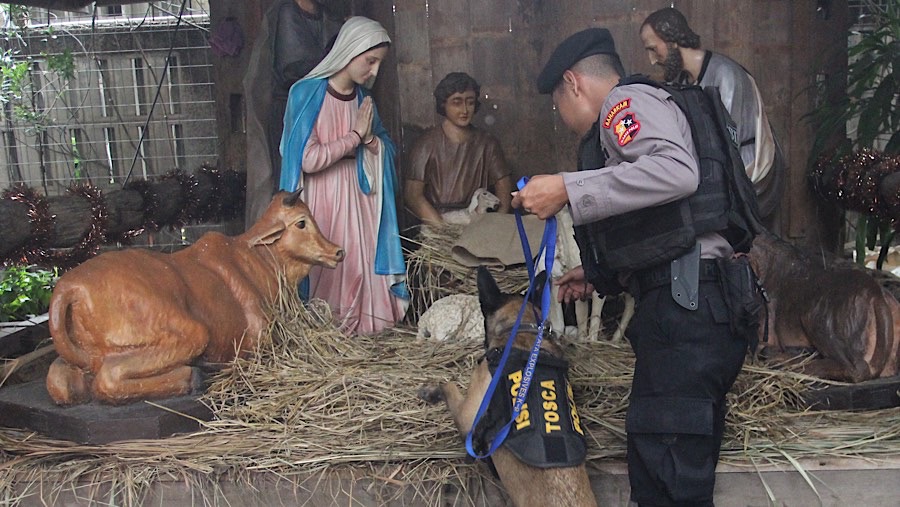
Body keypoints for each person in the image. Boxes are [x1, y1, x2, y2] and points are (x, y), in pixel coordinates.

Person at [514, 28, 752, 506]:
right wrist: (609, 273)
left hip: (686, 309)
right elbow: (666, 222)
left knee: (668, 481)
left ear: (573, 83)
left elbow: (675, 172)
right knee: (667, 469)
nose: (561, 120)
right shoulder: (646, 105)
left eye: (557, 104)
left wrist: (567, 186)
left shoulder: (623, 106)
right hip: (696, 305)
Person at [279, 16, 408, 336]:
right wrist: (353, 137)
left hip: (360, 198)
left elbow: (385, 148)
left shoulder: (365, 101)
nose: (374, 72)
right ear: (349, 50)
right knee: (330, 269)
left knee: (361, 266)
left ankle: (369, 331)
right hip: (322, 200)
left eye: (379, 64)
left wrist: (370, 141)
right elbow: (307, 159)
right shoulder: (306, 93)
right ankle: (330, 336)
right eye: (370, 61)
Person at [640, 7, 784, 227]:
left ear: (672, 40)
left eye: (653, 49)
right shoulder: (684, 79)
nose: (652, 60)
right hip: (712, 164)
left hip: (745, 167)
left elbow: (727, 142)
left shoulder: (726, 75)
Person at [243, 0, 342, 227]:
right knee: (295, 176)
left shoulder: (327, 16)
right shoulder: (287, 13)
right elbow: (295, 66)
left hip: (323, 108)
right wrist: (339, 56)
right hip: (295, 111)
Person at [404, 72, 513, 226]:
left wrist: (496, 224)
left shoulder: (487, 143)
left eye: (470, 102)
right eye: (457, 102)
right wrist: (441, 228)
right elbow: (413, 195)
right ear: (444, 104)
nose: (464, 110)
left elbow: (504, 185)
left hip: (478, 222)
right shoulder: (426, 144)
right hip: (438, 222)